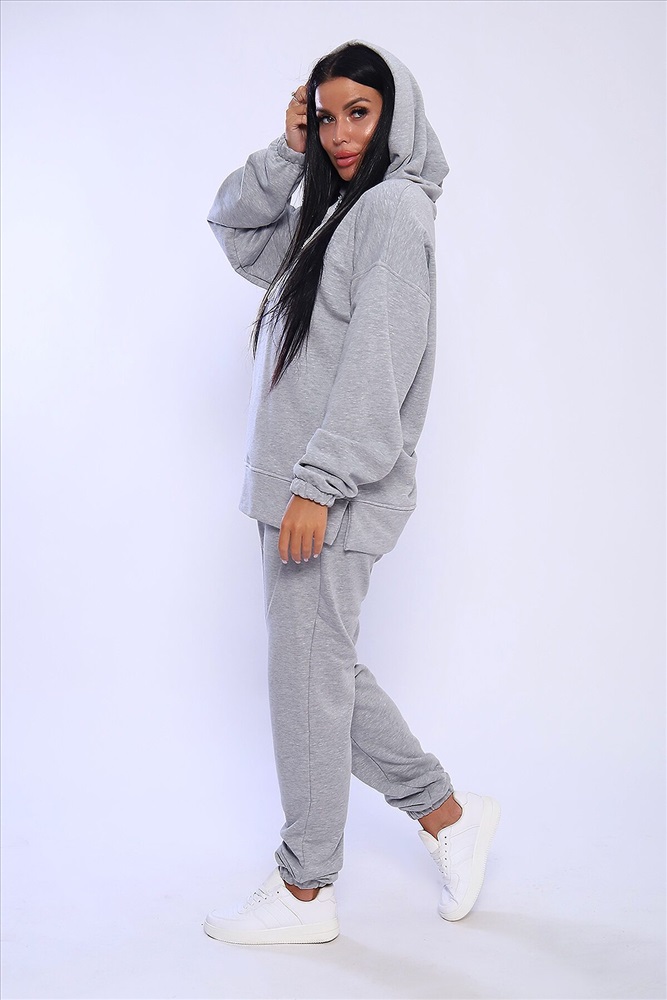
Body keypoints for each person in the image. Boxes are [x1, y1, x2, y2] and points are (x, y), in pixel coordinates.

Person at [203, 39, 500, 946]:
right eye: (325, 116)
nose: (338, 134)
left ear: (394, 113)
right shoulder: (336, 216)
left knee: (308, 676)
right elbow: (233, 227)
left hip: (327, 496)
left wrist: (318, 486)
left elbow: (379, 367)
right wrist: (285, 150)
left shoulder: (395, 212)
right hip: (293, 490)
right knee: (316, 674)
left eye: (357, 114)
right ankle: (448, 816)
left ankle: (305, 892)